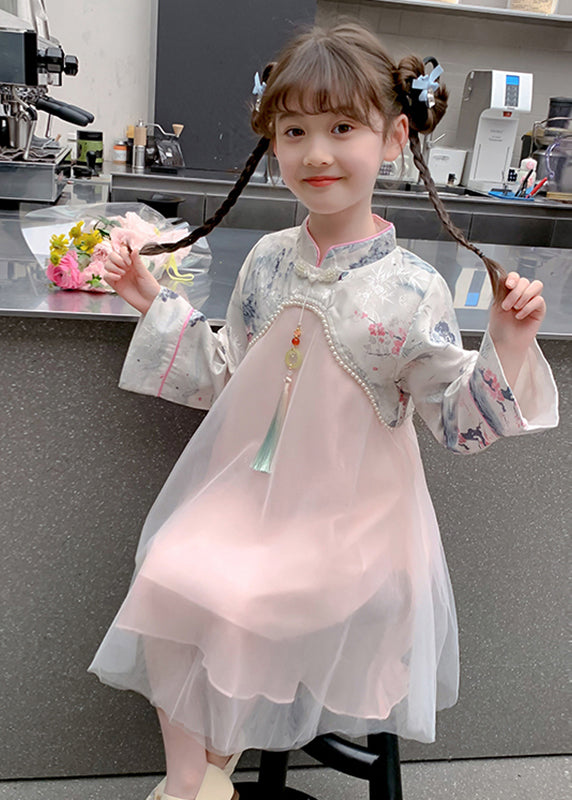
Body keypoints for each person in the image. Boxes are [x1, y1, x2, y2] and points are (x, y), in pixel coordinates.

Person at [87, 21, 558, 800]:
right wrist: (149, 298)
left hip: (355, 524)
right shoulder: (266, 261)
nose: (316, 153)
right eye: (295, 130)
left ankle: (208, 769)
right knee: (166, 566)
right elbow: (229, 376)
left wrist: (506, 341)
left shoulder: (414, 290)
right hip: (254, 501)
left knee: (238, 597)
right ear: (272, 140)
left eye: (343, 128)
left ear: (394, 136)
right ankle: (193, 780)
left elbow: (459, 424)